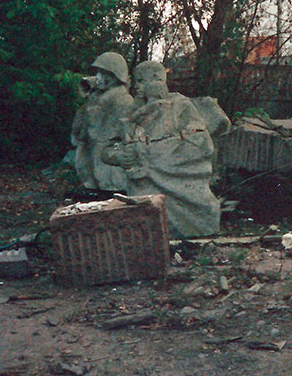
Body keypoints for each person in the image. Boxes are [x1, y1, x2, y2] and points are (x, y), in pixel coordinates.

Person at [102, 61, 221, 238]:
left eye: (141, 81)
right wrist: (119, 156)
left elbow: (202, 144)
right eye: (135, 81)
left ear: (157, 80)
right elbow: (106, 150)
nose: (136, 86)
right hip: (142, 190)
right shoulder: (130, 113)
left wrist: (148, 152)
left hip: (181, 183)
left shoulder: (180, 106)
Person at [70, 52, 134, 192]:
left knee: (110, 184)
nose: (99, 77)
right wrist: (88, 100)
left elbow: (116, 131)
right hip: (92, 151)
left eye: (105, 73)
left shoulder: (124, 100)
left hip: (108, 156)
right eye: (99, 72)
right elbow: (81, 127)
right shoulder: (95, 97)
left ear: (116, 76)